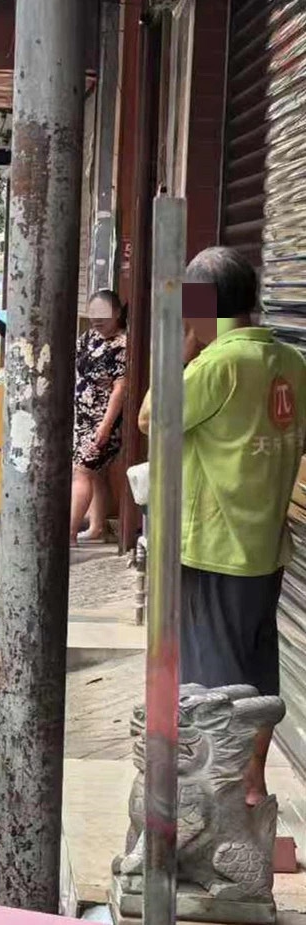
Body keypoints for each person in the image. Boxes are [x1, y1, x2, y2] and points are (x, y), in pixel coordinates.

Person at [139, 246, 306, 806]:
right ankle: (253, 785)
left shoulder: (218, 364)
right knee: (258, 675)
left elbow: (149, 419)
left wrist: (186, 351)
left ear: (200, 305)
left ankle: (224, 801)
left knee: (214, 688)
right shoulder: (291, 363)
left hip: (214, 547)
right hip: (266, 547)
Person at [70, 290, 128, 544]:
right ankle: (97, 527)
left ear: (117, 313)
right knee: (97, 474)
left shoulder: (123, 345)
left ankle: (69, 532)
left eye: (103, 314)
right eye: (93, 314)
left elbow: (121, 388)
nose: (97, 320)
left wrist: (105, 427)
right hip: (82, 418)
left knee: (82, 472)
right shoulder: (90, 338)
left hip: (103, 420)